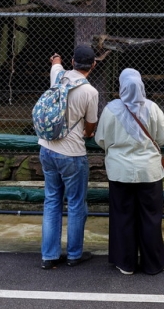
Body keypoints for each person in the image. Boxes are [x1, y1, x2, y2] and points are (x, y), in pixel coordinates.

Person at [95, 68, 164, 275]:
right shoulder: (153, 108)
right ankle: (154, 263)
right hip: (149, 172)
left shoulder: (111, 109)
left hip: (120, 172)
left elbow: (101, 139)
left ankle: (125, 263)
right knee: (151, 217)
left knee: (123, 216)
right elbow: (163, 138)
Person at [38, 44, 99, 269]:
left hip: (47, 148)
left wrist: (56, 57)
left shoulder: (59, 77)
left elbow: (55, 64)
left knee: (52, 202)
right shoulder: (90, 92)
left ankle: (49, 256)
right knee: (75, 204)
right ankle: (74, 254)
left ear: (72, 62)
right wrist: (87, 133)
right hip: (72, 153)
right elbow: (90, 125)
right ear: (93, 65)